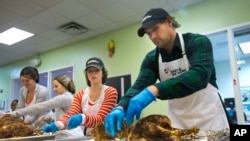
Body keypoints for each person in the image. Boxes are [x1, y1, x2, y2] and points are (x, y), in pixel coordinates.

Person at [104, 8, 230, 137]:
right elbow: (139, 86)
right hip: (179, 124)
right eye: (149, 33)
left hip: (210, 121)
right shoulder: (152, 59)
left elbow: (199, 75)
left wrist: (154, 90)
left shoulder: (197, 42)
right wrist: (120, 107)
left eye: (155, 29)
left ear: (169, 22)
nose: (153, 36)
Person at [43, 57, 118, 136]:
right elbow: (71, 113)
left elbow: (101, 119)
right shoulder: (81, 94)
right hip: (88, 136)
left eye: (96, 70)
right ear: (87, 74)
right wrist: (58, 124)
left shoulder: (110, 92)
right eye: (90, 71)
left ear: (102, 72)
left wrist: (82, 118)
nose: (93, 73)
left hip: (107, 136)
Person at [7, 75, 75, 129]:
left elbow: (40, 107)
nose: (54, 89)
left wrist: (14, 114)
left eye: (56, 86)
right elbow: (61, 120)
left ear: (65, 85)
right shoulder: (67, 97)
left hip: (69, 134)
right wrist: (48, 119)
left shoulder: (65, 98)